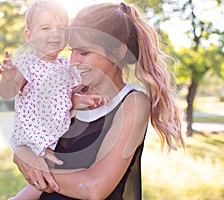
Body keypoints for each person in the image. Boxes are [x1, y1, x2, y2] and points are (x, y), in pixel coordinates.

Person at [11, 2, 185, 200]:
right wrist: (24, 152)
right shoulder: (69, 95)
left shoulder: (133, 103)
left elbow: (94, 188)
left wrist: (35, 171)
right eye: (72, 51)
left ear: (119, 51)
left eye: (84, 52)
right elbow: (35, 141)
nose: (73, 61)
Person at [0, 0, 108, 199]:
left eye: (61, 29)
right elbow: (9, 92)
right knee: (48, 175)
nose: (55, 34)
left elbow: (65, 98)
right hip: (33, 138)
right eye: (46, 28)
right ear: (29, 36)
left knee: (50, 177)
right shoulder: (28, 63)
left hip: (55, 138)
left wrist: (81, 100)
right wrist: (8, 77)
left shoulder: (66, 66)